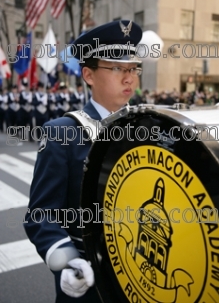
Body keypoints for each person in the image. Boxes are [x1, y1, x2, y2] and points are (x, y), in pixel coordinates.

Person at [24, 20, 143, 302]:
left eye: (133, 68)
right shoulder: (63, 132)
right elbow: (41, 215)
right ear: (88, 75)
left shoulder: (147, 128)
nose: (130, 78)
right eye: (117, 68)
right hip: (90, 277)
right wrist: (65, 260)